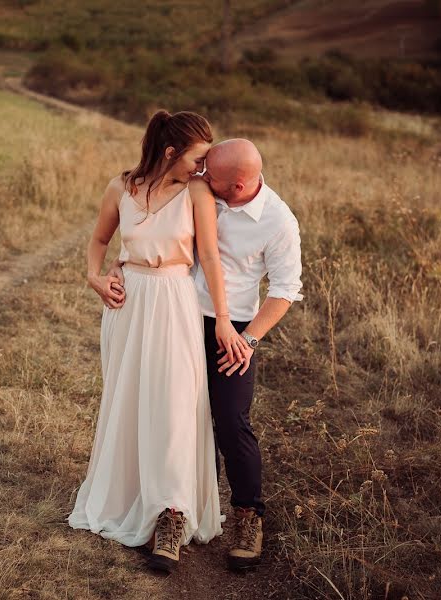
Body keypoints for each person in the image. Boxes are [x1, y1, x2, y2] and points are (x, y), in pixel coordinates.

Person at [109, 138, 304, 571]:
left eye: (209, 175)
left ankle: (248, 518)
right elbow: (147, 229)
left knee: (231, 421)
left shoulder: (278, 221)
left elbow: (285, 291)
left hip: (232, 329)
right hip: (175, 315)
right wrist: (116, 266)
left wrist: (249, 340)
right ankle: (173, 514)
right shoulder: (196, 189)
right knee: (176, 417)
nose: (199, 177)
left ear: (236, 185)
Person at [68, 110, 249, 573]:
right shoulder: (120, 187)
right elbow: (98, 240)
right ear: (170, 152)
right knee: (129, 403)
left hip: (173, 301)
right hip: (127, 306)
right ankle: (129, 497)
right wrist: (95, 277)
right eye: (198, 157)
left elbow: (208, 255)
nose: (204, 166)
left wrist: (225, 320)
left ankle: (172, 515)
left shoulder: (196, 192)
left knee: (172, 404)